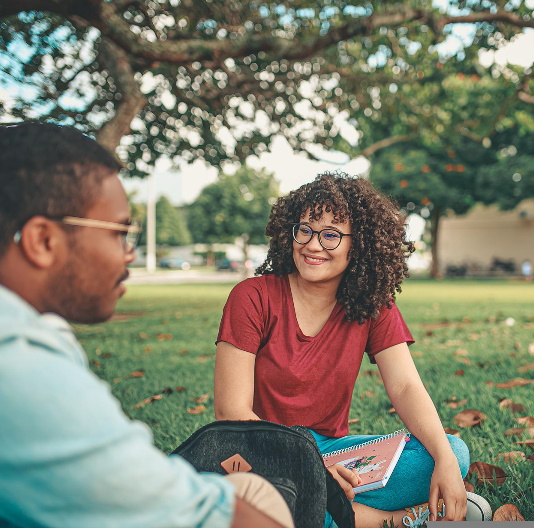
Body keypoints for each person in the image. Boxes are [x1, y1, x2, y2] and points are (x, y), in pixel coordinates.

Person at [0, 122, 292, 528]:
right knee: (259, 498)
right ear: (43, 241)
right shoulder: (20, 364)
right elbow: (207, 516)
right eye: (120, 233)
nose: (129, 255)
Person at [213, 173, 487, 528]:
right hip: (261, 452)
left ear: (359, 245)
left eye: (331, 235)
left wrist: (446, 462)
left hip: (333, 453)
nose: (313, 245)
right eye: (305, 230)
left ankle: (319, 512)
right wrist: (311, 469)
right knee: (256, 498)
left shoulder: (373, 304)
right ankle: (398, 521)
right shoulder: (252, 297)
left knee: (451, 450)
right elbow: (231, 412)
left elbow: (405, 387)